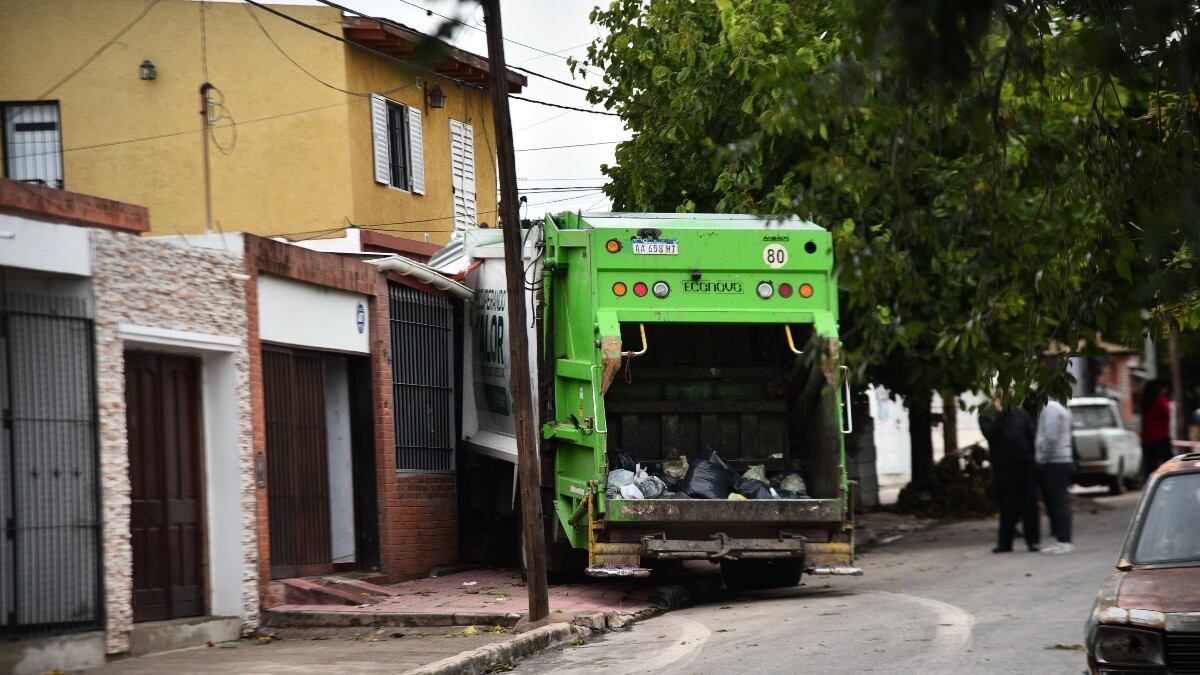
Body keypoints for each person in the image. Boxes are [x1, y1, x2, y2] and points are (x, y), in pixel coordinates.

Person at [979, 395, 1041, 553]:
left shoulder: (1020, 414)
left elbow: (1032, 436)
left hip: (1025, 465)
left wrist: (1033, 461)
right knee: (1006, 506)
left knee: (1030, 506)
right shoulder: (987, 415)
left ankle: (1033, 541)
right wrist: (1000, 414)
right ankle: (1005, 543)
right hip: (1003, 467)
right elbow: (990, 434)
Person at [1036, 396, 1075, 554]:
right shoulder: (1061, 407)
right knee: (1055, 502)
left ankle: (1064, 540)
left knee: (1058, 502)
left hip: (1055, 461)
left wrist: (1043, 458)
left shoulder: (1051, 408)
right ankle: (1059, 538)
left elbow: (1050, 437)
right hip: (1059, 459)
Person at [1140, 381, 1173, 478]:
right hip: (1161, 438)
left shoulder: (1145, 402)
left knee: (1151, 467)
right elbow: (1166, 417)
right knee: (1170, 465)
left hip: (1147, 440)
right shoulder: (1161, 401)